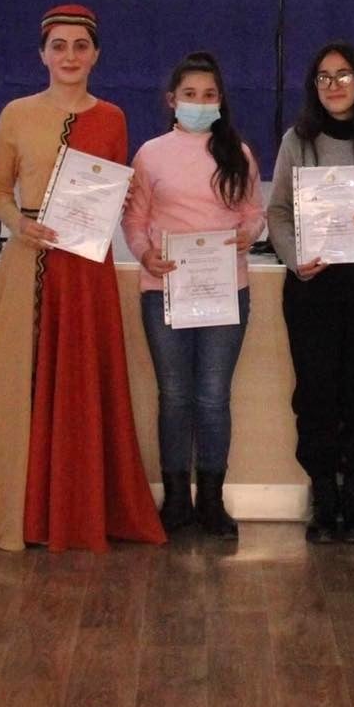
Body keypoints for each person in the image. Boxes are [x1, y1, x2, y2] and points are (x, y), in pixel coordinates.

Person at [0, 5, 163, 553]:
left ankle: (77, 510)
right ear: (42, 54)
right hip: (30, 258)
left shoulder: (113, 117)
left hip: (86, 265)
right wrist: (19, 224)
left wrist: (117, 199)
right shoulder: (17, 113)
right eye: (58, 46)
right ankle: (20, 512)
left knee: (84, 378)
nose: (69, 56)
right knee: (22, 378)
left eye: (80, 46)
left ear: (96, 54)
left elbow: (110, 190)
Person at [265, 41, 354, 544]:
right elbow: (277, 212)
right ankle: (323, 496)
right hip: (313, 285)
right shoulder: (296, 140)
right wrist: (294, 259)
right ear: (313, 86)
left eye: (344, 75)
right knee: (316, 394)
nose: (334, 85)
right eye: (324, 77)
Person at [125, 51, 265, 540]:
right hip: (163, 290)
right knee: (175, 396)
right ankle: (176, 501)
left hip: (226, 290)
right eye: (190, 94)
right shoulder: (150, 153)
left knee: (212, 397)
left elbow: (253, 212)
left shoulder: (238, 153)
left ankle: (211, 500)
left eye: (208, 95)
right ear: (172, 100)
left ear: (220, 101)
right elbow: (135, 218)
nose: (199, 103)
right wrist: (145, 254)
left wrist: (248, 234)